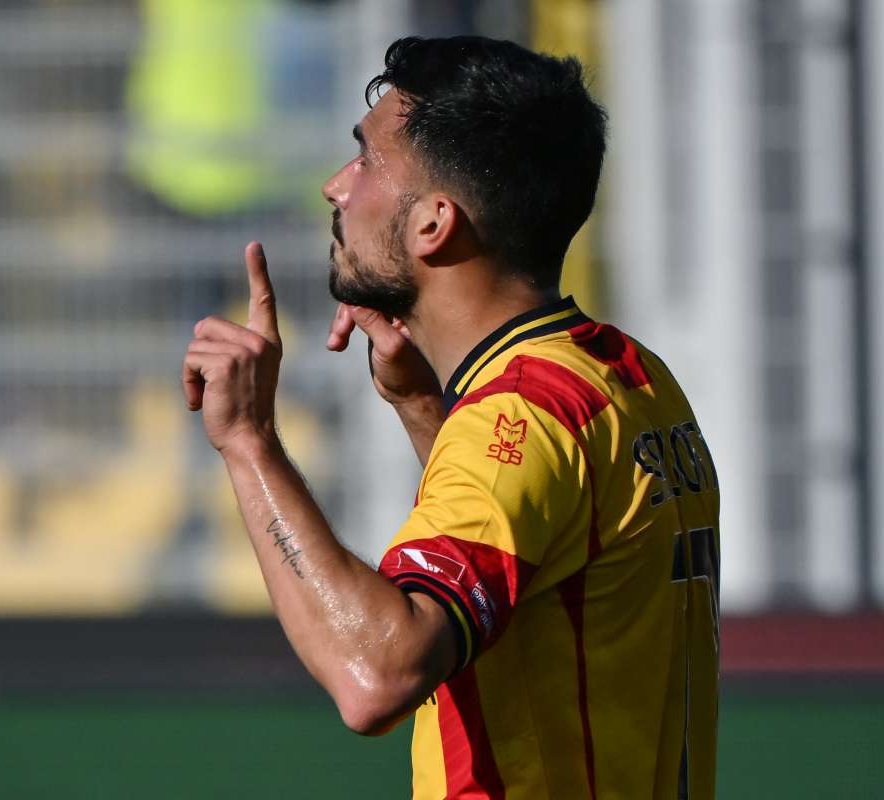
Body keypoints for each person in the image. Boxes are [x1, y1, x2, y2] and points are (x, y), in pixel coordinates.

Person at [181, 36, 720, 799]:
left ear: (434, 224)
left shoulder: (525, 414)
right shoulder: (624, 376)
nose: (336, 187)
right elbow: (534, 552)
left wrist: (249, 441)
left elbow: (377, 675)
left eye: (366, 161)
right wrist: (419, 406)